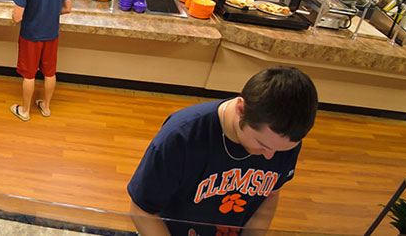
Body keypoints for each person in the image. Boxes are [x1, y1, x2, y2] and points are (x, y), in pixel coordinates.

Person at [127, 66, 318, 236]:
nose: (270, 156)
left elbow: (270, 195)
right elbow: (142, 209)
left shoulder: (281, 142)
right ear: (241, 108)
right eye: (262, 144)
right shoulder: (181, 137)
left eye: (282, 150)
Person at [8, 0, 72, 121]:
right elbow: (67, 8)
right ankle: (45, 107)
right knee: (50, 72)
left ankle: (26, 111)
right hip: (51, 34)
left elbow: (17, 17)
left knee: (29, 75)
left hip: (31, 35)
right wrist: (50, 10)